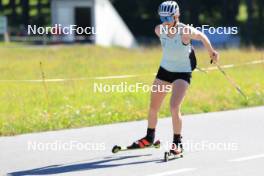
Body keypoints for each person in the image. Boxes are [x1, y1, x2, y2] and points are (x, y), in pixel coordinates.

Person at [128, 1, 219, 155]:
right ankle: (149, 138)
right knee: (153, 106)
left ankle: (177, 143)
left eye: (168, 19)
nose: (165, 22)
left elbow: (202, 36)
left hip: (182, 73)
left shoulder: (185, 31)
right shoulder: (159, 30)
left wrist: (211, 51)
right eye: (162, 18)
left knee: (174, 106)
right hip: (164, 71)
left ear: (176, 16)